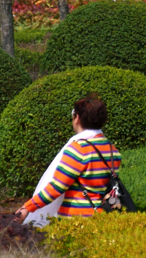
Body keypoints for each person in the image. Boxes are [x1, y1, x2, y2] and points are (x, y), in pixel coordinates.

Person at [15, 94, 122, 225]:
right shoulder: (112, 150)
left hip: (76, 221)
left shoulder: (79, 149)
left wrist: (27, 207)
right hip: (103, 217)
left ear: (77, 118)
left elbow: (56, 187)